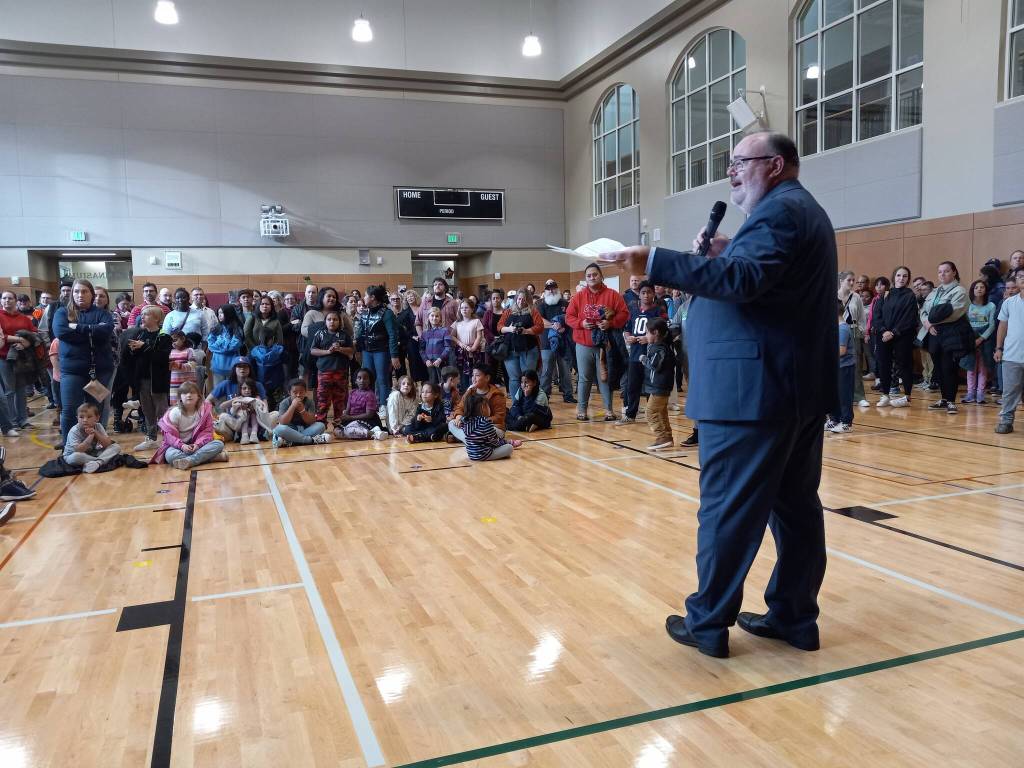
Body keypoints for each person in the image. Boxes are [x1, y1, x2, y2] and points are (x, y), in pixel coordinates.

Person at [601, 131, 835, 658]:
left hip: (751, 394)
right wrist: (729, 253)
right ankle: (794, 615)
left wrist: (652, 261)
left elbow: (743, 282)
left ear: (775, 165)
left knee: (728, 509)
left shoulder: (780, 212)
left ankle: (707, 622)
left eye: (739, 163)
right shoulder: (796, 210)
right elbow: (755, 275)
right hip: (789, 389)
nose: (730, 172)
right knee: (795, 509)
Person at [53, 279, 115, 443]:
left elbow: (106, 331)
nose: (80, 295)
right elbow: (62, 333)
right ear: (72, 294)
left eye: (85, 291)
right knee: (70, 409)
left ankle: (95, 444)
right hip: (72, 370)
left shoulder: (102, 313)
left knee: (95, 410)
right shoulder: (62, 312)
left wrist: (77, 327)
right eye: (77, 291)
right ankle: (69, 445)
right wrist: (91, 334)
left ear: (92, 294)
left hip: (99, 371)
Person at [565, 263, 628, 421]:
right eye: (589, 276)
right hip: (583, 344)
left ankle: (609, 410)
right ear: (585, 279)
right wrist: (581, 323)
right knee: (584, 378)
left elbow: (624, 314)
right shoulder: (578, 297)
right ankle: (582, 410)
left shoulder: (613, 295)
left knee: (605, 378)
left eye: (595, 274)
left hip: (605, 345)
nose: (592, 278)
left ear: (601, 276)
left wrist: (610, 323)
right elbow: (569, 317)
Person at [919, 261, 971, 414]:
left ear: (954, 272)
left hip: (951, 334)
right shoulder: (935, 292)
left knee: (949, 368)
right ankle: (943, 399)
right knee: (939, 369)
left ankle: (951, 401)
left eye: (946, 271)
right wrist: (927, 324)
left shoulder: (960, 291)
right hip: (933, 333)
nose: (942, 274)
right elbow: (923, 311)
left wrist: (932, 320)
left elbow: (953, 313)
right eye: (940, 272)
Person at [121, 305, 171, 452]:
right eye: (141, 315)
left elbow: (162, 357)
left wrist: (144, 347)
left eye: (146, 315)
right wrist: (132, 350)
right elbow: (136, 358)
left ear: (156, 318)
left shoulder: (164, 337)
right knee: (147, 409)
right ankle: (151, 437)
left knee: (161, 409)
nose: (142, 317)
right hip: (142, 379)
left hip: (157, 380)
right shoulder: (140, 335)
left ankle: (168, 437)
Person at [153, 381, 228, 469]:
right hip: (178, 447)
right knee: (170, 456)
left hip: (198, 446)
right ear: (180, 397)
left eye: (192, 392)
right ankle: (211, 458)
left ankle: (190, 461)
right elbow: (169, 437)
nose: (189, 395)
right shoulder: (174, 413)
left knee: (218, 444)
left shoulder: (204, 412)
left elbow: (207, 432)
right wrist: (182, 446)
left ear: (198, 396)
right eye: (185, 393)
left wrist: (197, 445)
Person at [619, 281, 664, 425]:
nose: (646, 295)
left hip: (652, 355)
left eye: (649, 292)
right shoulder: (633, 310)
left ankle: (653, 415)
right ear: (639, 294)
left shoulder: (658, 311)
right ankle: (630, 414)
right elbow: (627, 329)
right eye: (643, 292)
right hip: (635, 354)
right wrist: (628, 337)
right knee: (633, 385)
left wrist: (649, 338)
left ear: (653, 294)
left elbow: (664, 331)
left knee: (651, 386)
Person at [874, 266, 918, 408]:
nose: (901, 278)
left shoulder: (910, 295)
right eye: (899, 275)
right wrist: (883, 330)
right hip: (883, 335)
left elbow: (909, 318)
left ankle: (907, 397)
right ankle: (885, 394)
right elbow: (877, 315)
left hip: (901, 336)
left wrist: (893, 332)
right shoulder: (885, 294)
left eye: (905, 276)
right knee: (883, 364)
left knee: (904, 365)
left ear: (908, 279)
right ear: (894, 277)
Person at [355, 286, 401, 407]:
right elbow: (360, 334)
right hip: (366, 351)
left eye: (365, 295)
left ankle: (383, 407)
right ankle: (369, 405)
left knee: (382, 380)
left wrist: (394, 355)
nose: (363, 298)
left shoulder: (387, 313)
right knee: (367, 379)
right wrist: (357, 350)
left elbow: (393, 335)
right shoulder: (364, 312)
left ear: (372, 297)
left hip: (382, 351)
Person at [499, 289, 544, 402]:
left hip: (529, 349)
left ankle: (529, 402)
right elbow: (499, 327)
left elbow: (540, 327)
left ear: (527, 300)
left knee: (528, 378)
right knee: (514, 379)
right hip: (511, 350)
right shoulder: (508, 312)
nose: (521, 301)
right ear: (516, 299)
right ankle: (516, 404)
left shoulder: (533, 311)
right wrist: (509, 329)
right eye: (519, 299)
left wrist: (526, 331)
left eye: (524, 299)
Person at [0, 289, 37, 428]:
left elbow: (34, 333)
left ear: (15, 301)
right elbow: (2, 336)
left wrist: (27, 343)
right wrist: (20, 339)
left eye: (10, 298)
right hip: (4, 358)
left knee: (21, 389)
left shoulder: (23, 318)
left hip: (22, 358)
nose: (7, 301)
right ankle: (12, 422)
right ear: (1, 301)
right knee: (9, 391)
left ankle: (23, 420)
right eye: (4, 298)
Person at [310, 310, 353, 426]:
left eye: (335, 319)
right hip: (324, 372)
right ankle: (321, 423)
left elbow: (351, 350)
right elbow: (313, 350)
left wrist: (341, 349)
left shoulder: (345, 335)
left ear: (339, 322)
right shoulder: (320, 333)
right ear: (325, 321)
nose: (332, 322)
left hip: (341, 371)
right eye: (329, 319)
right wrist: (327, 351)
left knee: (339, 400)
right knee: (323, 399)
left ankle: (338, 423)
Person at [994, 270, 1024, 433]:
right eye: (1020, 277)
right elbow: (1002, 326)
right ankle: (1006, 421)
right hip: (1012, 355)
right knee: (1010, 391)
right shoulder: (1009, 303)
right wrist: (999, 348)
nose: (1023, 279)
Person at [448, 362, 507, 443]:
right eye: (473, 375)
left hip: (491, 427)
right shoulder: (470, 391)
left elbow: (499, 417)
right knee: (451, 423)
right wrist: (459, 417)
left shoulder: (497, 395)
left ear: (487, 378)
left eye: (477, 375)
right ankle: (472, 441)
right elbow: (459, 407)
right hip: (472, 426)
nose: (473, 378)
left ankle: (467, 440)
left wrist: (478, 422)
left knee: (482, 430)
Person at [538, 280, 575, 403]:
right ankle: (544, 396)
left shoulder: (565, 303)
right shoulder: (541, 304)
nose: (551, 290)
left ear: (557, 289)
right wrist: (554, 325)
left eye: (553, 288)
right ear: (545, 290)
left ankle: (568, 395)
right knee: (547, 371)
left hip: (564, 342)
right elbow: (540, 321)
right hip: (546, 343)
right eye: (548, 288)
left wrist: (564, 327)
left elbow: (570, 319)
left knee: (565, 370)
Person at [458, 391, 522, 461]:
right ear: (482, 408)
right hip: (484, 455)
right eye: (487, 405)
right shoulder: (485, 422)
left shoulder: (465, 420)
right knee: (509, 448)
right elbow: (495, 443)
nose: (489, 408)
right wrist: (508, 442)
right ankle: (509, 444)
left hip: (472, 455)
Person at [63, 402, 122, 473]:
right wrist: (90, 436)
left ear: (97, 418)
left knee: (116, 447)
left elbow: (107, 444)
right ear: (77, 418)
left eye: (89, 417)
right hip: (75, 455)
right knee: (76, 457)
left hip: (92, 453)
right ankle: (101, 461)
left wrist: (95, 433)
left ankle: (97, 463)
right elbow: (79, 450)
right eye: (81, 417)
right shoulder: (74, 430)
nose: (85, 420)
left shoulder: (98, 426)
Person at [963, 279, 996, 404]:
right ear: (972, 290)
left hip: (985, 339)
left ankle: (980, 394)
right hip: (970, 338)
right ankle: (970, 393)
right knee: (970, 367)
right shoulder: (968, 305)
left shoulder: (991, 305)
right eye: (976, 287)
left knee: (983, 367)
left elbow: (992, 325)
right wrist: (972, 339)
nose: (979, 289)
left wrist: (981, 338)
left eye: (982, 287)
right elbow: (964, 323)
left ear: (986, 290)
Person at [272, 378, 332, 447]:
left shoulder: (309, 402)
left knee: (321, 426)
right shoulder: (284, 403)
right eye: (295, 392)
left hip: (306, 429)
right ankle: (311, 440)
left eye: (301, 392)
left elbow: (311, 421)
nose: (298, 395)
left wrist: (302, 410)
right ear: (289, 392)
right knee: (279, 429)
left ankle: (290, 441)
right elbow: (283, 422)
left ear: (305, 392)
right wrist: (292, 406)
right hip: (290, 430)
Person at [838, 271, 868, 406]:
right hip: (837, 330)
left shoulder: (856, 297)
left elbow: (862, 317)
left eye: (853, 280)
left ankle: (859, 396)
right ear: (841, 281)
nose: (851, 283)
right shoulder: (832, 295)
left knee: (855, 364)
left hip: (853, 330)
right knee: (839, 363)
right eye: (848, 280)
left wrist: (861, 331)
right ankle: (839, 395)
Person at [825, 300, 856, 433]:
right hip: (836, 367)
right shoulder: (836, 328)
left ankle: (846, 423)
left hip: (844, 368)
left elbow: (841, 351)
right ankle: (835, 419)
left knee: (844, 396)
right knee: (834, 394)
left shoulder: (842, 328)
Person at [451, 300, 485, 392]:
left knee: (473, 372)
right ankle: (464, 392)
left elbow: (479, 336)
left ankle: (474, 391)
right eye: (462, 308)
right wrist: (461, 344)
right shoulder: (457, 323)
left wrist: (473, 347)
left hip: (474, 350)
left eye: (466, 307)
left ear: (472, 309)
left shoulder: (476, 321)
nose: (464, 310)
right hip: (461, 351)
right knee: (462, 372)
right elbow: (452, 336)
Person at [207, 304, 245, 386]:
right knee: (219, 393)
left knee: (232, 392)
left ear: (229, 314)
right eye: (219, 313)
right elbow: (210, 345)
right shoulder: (216, 328)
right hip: (217, 367)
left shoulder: (237, 329)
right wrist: (223, 346)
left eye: (222, 313)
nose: (219, 315)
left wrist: (219, 345)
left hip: (232, 367)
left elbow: (234, 345)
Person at [397, 290, 428, 383]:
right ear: (406, 299)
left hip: (425, 339)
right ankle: (416, 383)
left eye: (412, 296)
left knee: (425, 361)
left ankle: (426, 382)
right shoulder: (405, 312)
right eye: (408, 297)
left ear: (416, 297)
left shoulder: (423, 308)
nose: (410, 298)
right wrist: (411, 335)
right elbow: (400, 327)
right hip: (412, 341)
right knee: (414, 362)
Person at [420, 307, 452, 387]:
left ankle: (445, 399)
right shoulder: (424, 333)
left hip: (441, 362)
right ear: (428, 317)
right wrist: (426, 360)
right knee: (432, 383)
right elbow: (421, 349)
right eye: (432, 316)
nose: (434, 318)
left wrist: (440, 359)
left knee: (443, 383)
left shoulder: (444, 331)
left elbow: (448, 347)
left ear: (440, 318)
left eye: (437, 316)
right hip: (429, 363)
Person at [167, 331, 197, 406]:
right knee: (175, 406)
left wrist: (179, 366)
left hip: (187, 384)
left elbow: (192, 365)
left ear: (183, 338)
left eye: (175, 340)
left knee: (188, 405)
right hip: (174, 385)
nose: (173, 343)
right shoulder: (171, 352)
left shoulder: (189, 351)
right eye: (171, 341)